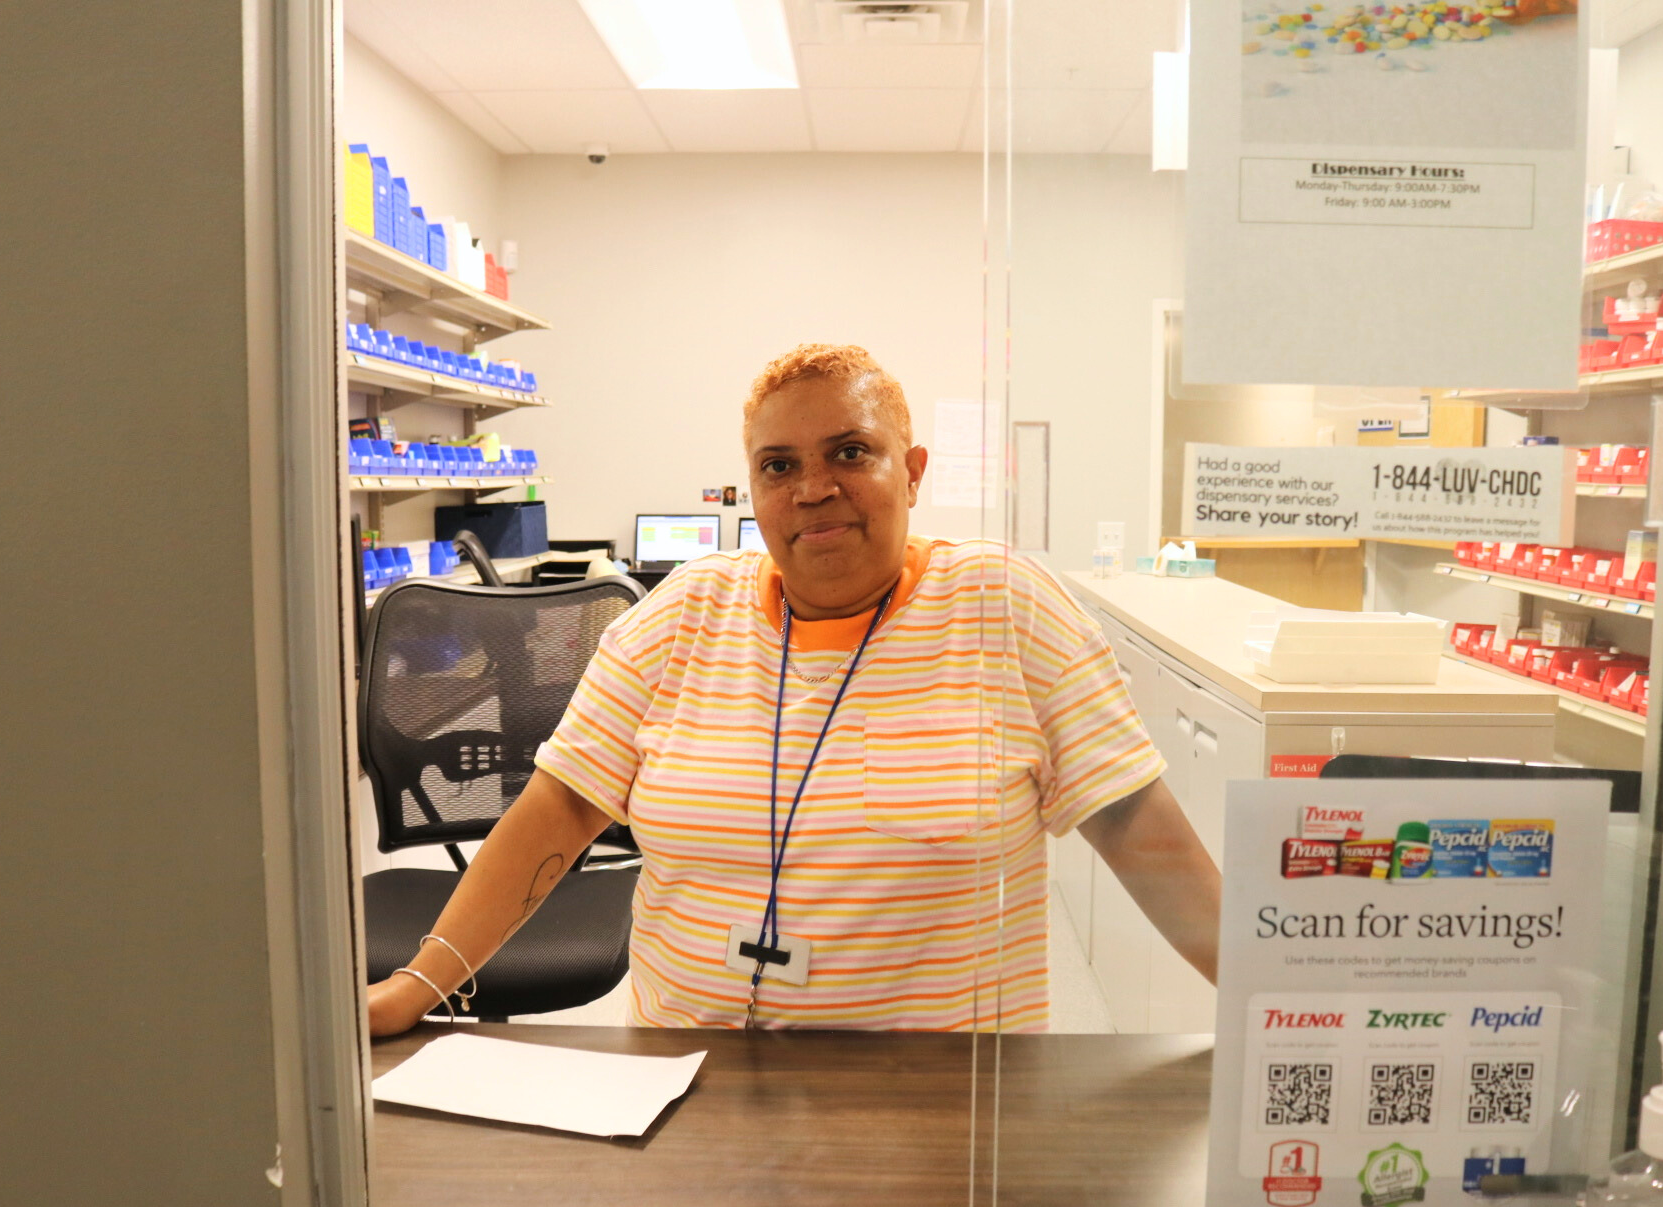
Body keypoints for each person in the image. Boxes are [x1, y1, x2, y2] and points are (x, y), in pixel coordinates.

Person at [368, 344, 1222, 1036]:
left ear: (913, 471)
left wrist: (1287, 1026)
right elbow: (556, 811)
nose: (814, 488)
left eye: (850, 452)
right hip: (692, 1078)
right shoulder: (682, 616)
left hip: (945, 1101)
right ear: (754, 490)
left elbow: (1140, 830)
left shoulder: (1007, 608)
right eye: (779, 466)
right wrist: (418, 985)